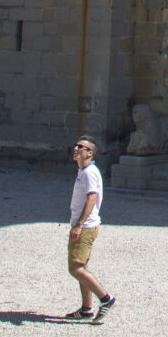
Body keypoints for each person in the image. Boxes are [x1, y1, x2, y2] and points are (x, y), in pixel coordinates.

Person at [65, 137, 114, 321]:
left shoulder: (89, 173)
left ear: (90, 153)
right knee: (82, 267)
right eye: (76, 145)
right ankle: (86, 309)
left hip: (85, 226)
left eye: (81, 147)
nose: (76, 148)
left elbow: (91, 199)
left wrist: (78, 225)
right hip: (84, 225)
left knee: (75, 268)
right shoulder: (83, 171)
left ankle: (105, 299)